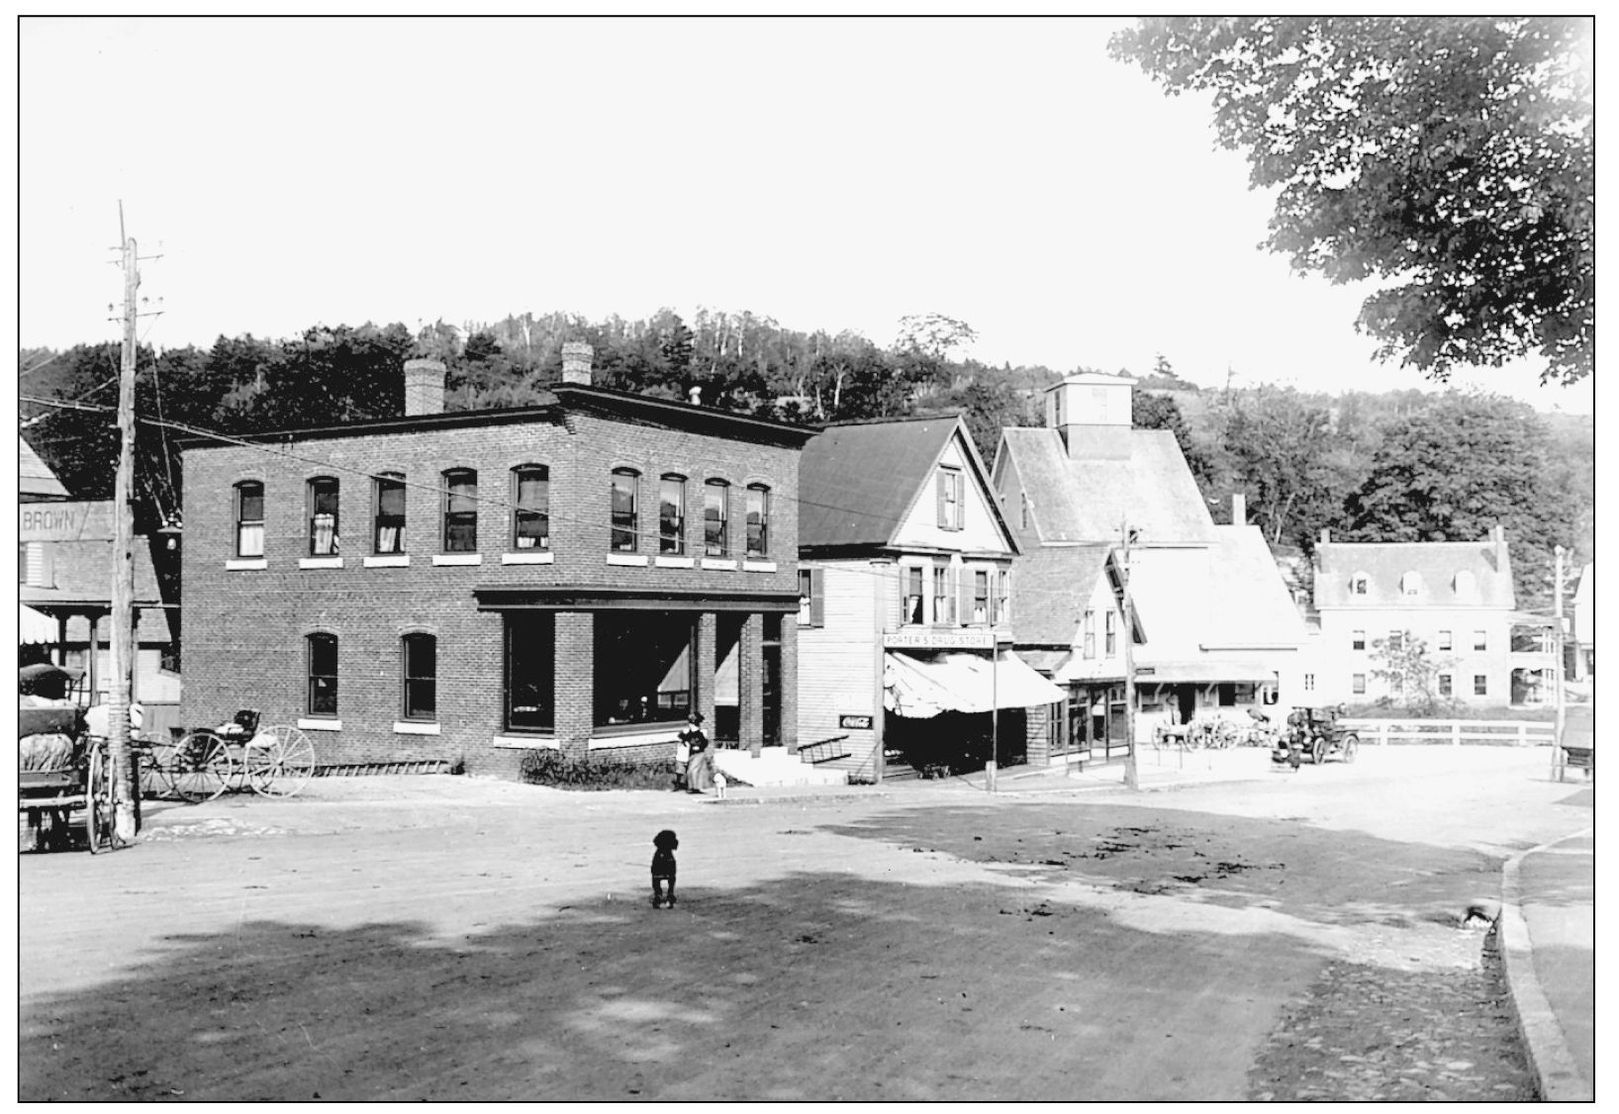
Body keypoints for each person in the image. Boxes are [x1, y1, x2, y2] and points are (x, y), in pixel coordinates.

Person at [680, 713, 714, 794]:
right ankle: (692, 787)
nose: (690, 725)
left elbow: (704, 743)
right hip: (692, 754)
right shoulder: (689, 733)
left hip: (699, 754)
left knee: (693, 770)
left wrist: (698, 747)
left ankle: (695, 787)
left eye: (691, 724)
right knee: (690, 771)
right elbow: (683, 738)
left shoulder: (699, 734)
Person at [651, 829, 678, 908]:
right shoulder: (670, 856)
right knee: (671, 877)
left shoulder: (657, 855)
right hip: (669, 863)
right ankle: (670, 893)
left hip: (658, 862)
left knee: (655, 878)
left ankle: (658, 894)